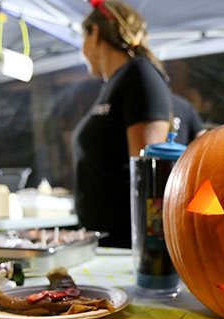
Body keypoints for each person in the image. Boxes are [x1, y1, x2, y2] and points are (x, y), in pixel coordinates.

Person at [72, 0, 171, 248]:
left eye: (81, 38)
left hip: (127, 246)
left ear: (94, 34)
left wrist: (149, 256)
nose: (81, 50)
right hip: (106, 242)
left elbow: (151, 177)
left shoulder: (139, 75)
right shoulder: (116, 83)